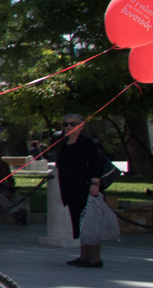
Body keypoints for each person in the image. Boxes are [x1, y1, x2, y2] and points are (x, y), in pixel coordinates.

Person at [44, 113, 118, 266]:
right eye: (66, 124)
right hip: (72, 189)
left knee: (91, 224)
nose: (69, 127)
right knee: (79, 224)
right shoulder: (64, 143)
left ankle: (95, 258)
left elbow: (94, 164)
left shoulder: (86, 143)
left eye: (73, 124)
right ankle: (84, 256)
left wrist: (95, 183)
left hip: (87, 187)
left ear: (81, 125)